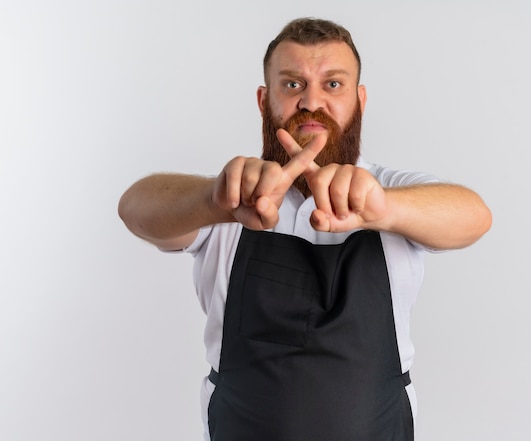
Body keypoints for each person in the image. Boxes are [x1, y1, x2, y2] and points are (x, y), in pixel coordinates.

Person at [118, 17, 491, 441]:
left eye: (333, 84)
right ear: (264, 100)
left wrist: (382, 208)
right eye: (292, 84)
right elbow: (134, 208)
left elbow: (475, 216)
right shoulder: (229, 201)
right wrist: (211, 199)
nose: (312, 102)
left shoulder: (392, 192)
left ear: (360, 100)